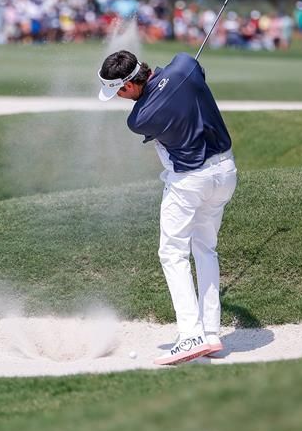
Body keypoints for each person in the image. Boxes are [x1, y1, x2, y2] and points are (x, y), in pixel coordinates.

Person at [98, 49, 237, 365]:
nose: (120, 97)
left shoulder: (139, 118)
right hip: (226, 173)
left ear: (129, 85)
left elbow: (157, 102)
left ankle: (190, 335)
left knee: (172, 253)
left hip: (190, 183)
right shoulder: (185, 65)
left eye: (118, 91)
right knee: (205, 248)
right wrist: (175, 81)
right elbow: (190, 70)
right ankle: (211, 333)